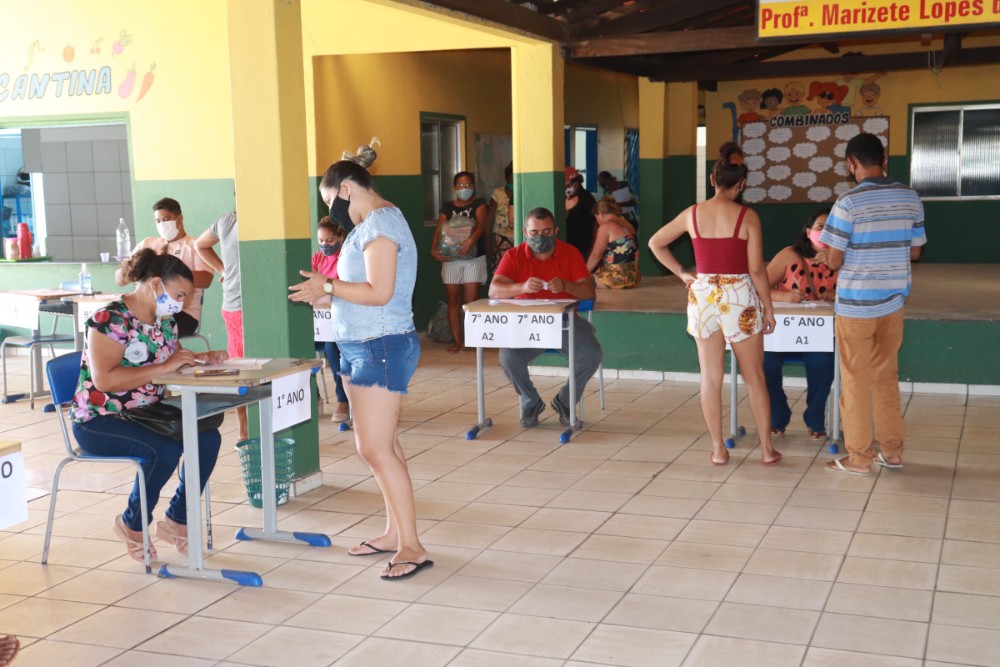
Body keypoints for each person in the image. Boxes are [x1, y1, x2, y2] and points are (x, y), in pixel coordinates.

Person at [288, 148, 431, 581]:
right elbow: (361, 289)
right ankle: (394, 533)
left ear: (346, 190)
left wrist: (329, 283)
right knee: (384, 446)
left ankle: (412, 546)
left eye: (331, 200)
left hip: (380, 344)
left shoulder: (382, 224)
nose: (331, 210)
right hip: (360, 342)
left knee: (374, 448)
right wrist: (326, 295)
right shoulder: (368, 226)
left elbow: (380, 291)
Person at [73, 249, 226, 561]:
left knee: (208, 437)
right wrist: (163, 368)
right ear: (156, 284)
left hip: (146, 413)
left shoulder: (164, 320)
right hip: (100, 418)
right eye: (179, 294)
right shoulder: (109, 319)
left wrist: (198, 360)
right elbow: (105, 381)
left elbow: (171, 361)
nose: (181, 304)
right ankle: (132, 523)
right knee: (163, 451)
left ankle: (177, 521)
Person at [648, 142, 781, 466]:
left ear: (712, 179)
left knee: (710, 378)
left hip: (703, 295)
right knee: (755, 377)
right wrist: (768, 307)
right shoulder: (747, 216)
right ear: (742, 183)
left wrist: (682, 273)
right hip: (738, 297)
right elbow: (756, 269)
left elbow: (655, 242)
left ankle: (719, 449)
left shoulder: (692, 214)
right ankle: (766, 450)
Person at [820, 132, 926, 475]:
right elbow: (915, 252)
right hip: (892, 302)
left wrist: (828, 252)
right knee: (885, 377)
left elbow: (834, 262)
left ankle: (860, 457)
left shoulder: (847, 203)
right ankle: (892, 452)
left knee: (853, 381)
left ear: (852, 164)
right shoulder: (910, 197)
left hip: (855, 308)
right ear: (884, 160)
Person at [489, 207, 602, 427]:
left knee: (591, 354)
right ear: (525, 232)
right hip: (526, 324)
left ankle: (565, 401)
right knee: (508, 359)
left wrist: (566, 285)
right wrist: (521, 286)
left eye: (547, 231)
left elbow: (588, 290)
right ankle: (531, 401)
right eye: (534, 232)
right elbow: (494, 291)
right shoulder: (514, 255)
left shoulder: (570, 253)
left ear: (556, 230)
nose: (541, 237)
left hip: (565, 322)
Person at [764, 207, 838, 440]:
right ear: (808, 232)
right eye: (820, 227)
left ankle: (815, 418)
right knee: (765, 364)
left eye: (832, 228)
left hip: (819, 335)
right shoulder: (789, 255)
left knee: (823, 364)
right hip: (781, 331)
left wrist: (839, 294)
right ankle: (778, 415)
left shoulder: (844, 260)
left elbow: (857, 292)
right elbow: (758, 288)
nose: (825, 233)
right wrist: (783, 296)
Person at [117, 198, 214, 338]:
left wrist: (167, 275)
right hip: (145, 309)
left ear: (179, 219)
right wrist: (131, 271)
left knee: (146, 332)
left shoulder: (194, 246)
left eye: (166, 219)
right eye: (158, 221)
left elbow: (206, 279)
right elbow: (120, 278)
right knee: (118, 326)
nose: (162, 224)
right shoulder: (147, 244)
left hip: (183, 313)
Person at [194, 209, 248, 439]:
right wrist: (222, 269)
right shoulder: (228, 220)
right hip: (236, 305)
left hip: (262, 304)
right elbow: (201, 245)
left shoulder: (269, 215)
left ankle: (266, 427)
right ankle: (245, 431)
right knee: (243, 370)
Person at [430, 171, 488, 353]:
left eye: (468, 185)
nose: (465, 189)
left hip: (473, 259)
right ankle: (457, 340)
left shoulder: (479, 204)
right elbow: (439, 230)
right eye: (461, 186)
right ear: (455, 187)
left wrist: (471, 241)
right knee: (453, 299)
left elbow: (481, 224)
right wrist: (433, 250)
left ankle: (473, 339)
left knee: (471, 300)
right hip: (451, 259)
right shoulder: (447, 208)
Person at [312, 218, 350, 422]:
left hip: (340, 317)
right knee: (300, 348)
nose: (325, 245)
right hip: (319, 317)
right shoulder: (317, 259)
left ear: (339, 238)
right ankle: (313, 395)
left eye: (329, 240)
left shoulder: (346, 257)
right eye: (321, 240)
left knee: (332, 349)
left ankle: (343, 399)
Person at [586, 197, 640, 289]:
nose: (597, 222)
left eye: (596, 217)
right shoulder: (628, 224)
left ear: (600, 213)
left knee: (578, 281)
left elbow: (596, 255)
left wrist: (583, 273)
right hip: (634, 278)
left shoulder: (606, 227)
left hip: (617, 279)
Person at [486, 162, 515, 270]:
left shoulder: (522, 192)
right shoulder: (498, 193)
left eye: (514, 180)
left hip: (518, 236)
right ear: (506, 179)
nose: (512, 183)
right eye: (510, 180)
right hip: (501, 237)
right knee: (502, 267)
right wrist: (487, 239)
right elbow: (489, 218)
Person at [565, 166, 597, 259]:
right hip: (567, 243)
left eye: (567, 185)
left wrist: (593, 246)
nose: (565, 188)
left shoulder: (587, 199)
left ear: (576, 183)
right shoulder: (564, 198)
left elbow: (595, 223)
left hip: (583, 245)